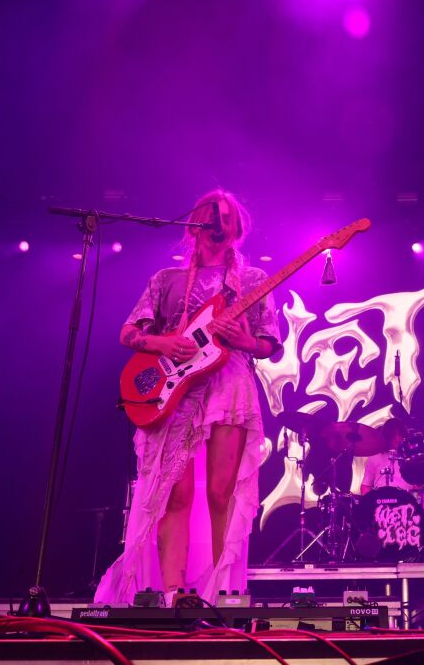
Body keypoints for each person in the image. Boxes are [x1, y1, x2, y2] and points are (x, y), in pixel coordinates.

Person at [94, 190, 281, 605]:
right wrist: (163, 343)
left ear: (237, 229)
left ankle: (224, 593)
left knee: (220, 492)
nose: (219, 222)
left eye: (227, 217)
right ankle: (174, 594)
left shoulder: (253, 281)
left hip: (229, 384)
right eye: (211, 215)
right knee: (175, 494)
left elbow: (270, 342)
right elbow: (128, 332)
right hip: (174, 387)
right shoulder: (166, 280)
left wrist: (245, 342)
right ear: (194, 223)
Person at [360, 419, 415, 494]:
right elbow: (365, 486)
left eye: (400, 434)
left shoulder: (411, 458)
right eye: (393, 435)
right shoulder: (375, 457)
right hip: (381, 499)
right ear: (387, 436)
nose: (397, 438)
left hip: (406, 499)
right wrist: (370, 500)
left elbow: (420, 485)